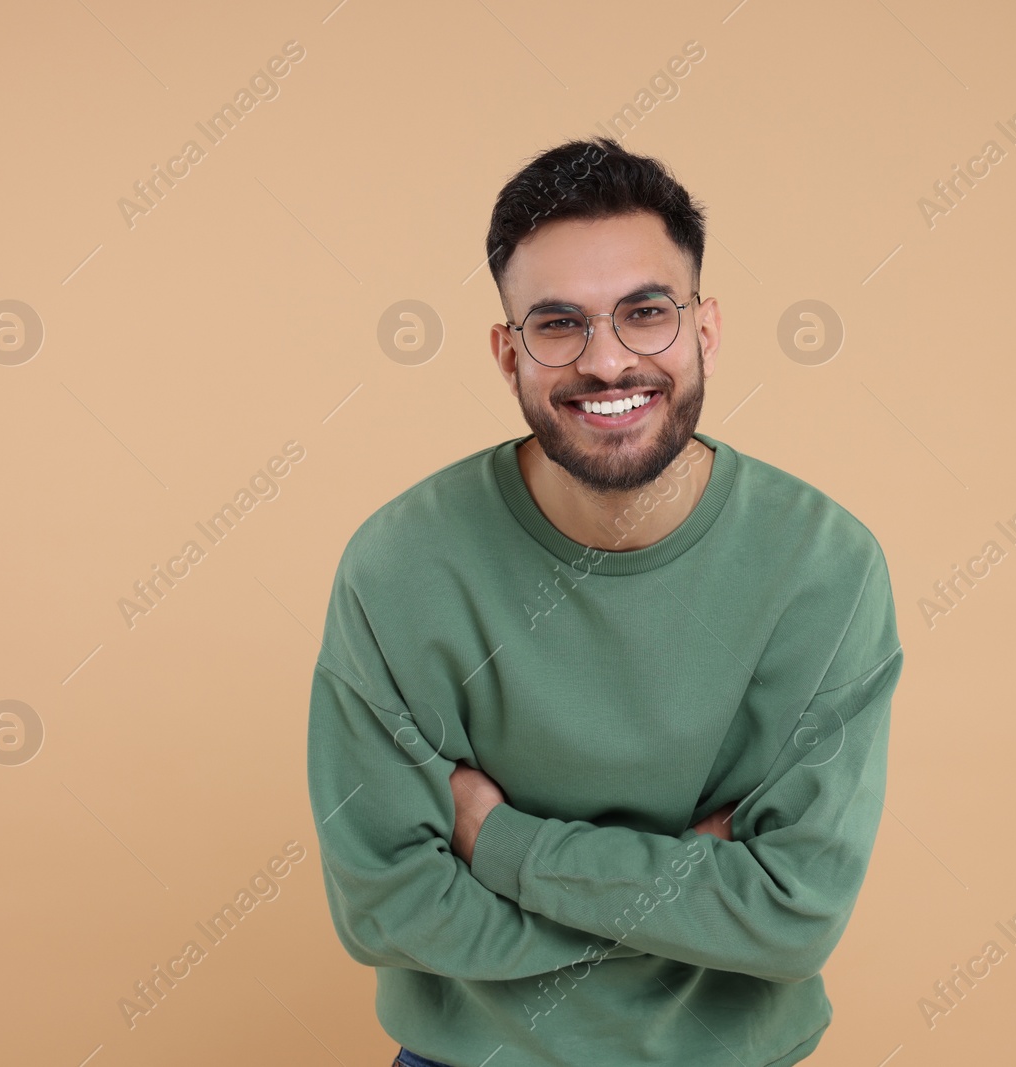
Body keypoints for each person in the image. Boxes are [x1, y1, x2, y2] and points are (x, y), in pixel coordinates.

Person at [307, 137, 904, 1067]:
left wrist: (499, 845)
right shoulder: (399, 568)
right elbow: (388, 906)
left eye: (645, 312)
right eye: (558, 324)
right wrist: (695, 902)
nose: (608, 361)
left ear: (704, 328)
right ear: (508, 353)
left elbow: (793, 918)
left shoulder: (825, 569)